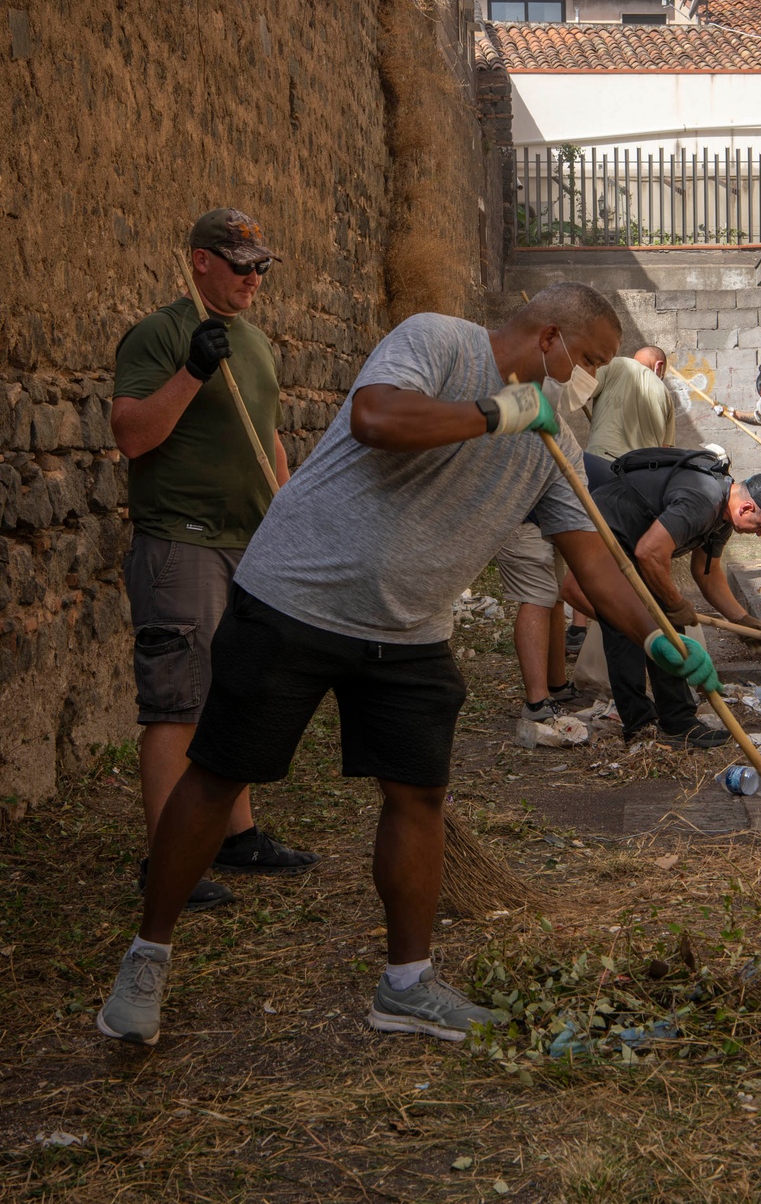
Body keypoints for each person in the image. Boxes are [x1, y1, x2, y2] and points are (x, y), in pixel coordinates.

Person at [96, 283, 726, 1047]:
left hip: (409, 628)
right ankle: (149, 954)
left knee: (418, 797)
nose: (587, 379)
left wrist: (659, 638)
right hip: (297, 593)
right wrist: (499, 412)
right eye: (588, 360)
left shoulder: (552, 445)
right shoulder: (438, 342)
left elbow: (593, 566)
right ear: (550, 337)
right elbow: (375, 419)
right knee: (220, 771)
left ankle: (406, 984)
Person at [111, 208, 318, 913]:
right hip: (183, 541)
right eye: (240, 264)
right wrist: (194, 369)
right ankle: (168, 858)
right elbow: (133, 435)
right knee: (178, 704)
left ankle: (236, 835)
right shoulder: (160, 333)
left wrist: (287, 512)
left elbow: (268, 435)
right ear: (200, 261)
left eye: (261, 264)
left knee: (235, 691)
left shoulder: (255, 341)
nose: (254, 276)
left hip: (250, 542)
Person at [561, 449, 761, 748]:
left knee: (670, 628)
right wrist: (674, 603)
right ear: (747, 508)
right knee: (625, 627)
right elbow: (649, 552)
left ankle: (678, 721)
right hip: (606, 537)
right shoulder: (705, 499)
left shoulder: (723, 516)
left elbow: (706, 573)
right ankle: (640, 728)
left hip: (636, 548)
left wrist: (742, 622)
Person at [566, 346, 676, 654]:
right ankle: (632, 617)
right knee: (619, 559)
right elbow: (665, 454)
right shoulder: (666, 396)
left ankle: (581, 627)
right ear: (659, 366)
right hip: (638, 487)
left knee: (586, 554)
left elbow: (577, 391)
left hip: (599, 471)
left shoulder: (615, 367)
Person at [494, 514, 581, 721]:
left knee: (554, 596)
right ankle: (537, 703)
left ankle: (557, 685)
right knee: (537, 597)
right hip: (521, 521)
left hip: (549, 522)